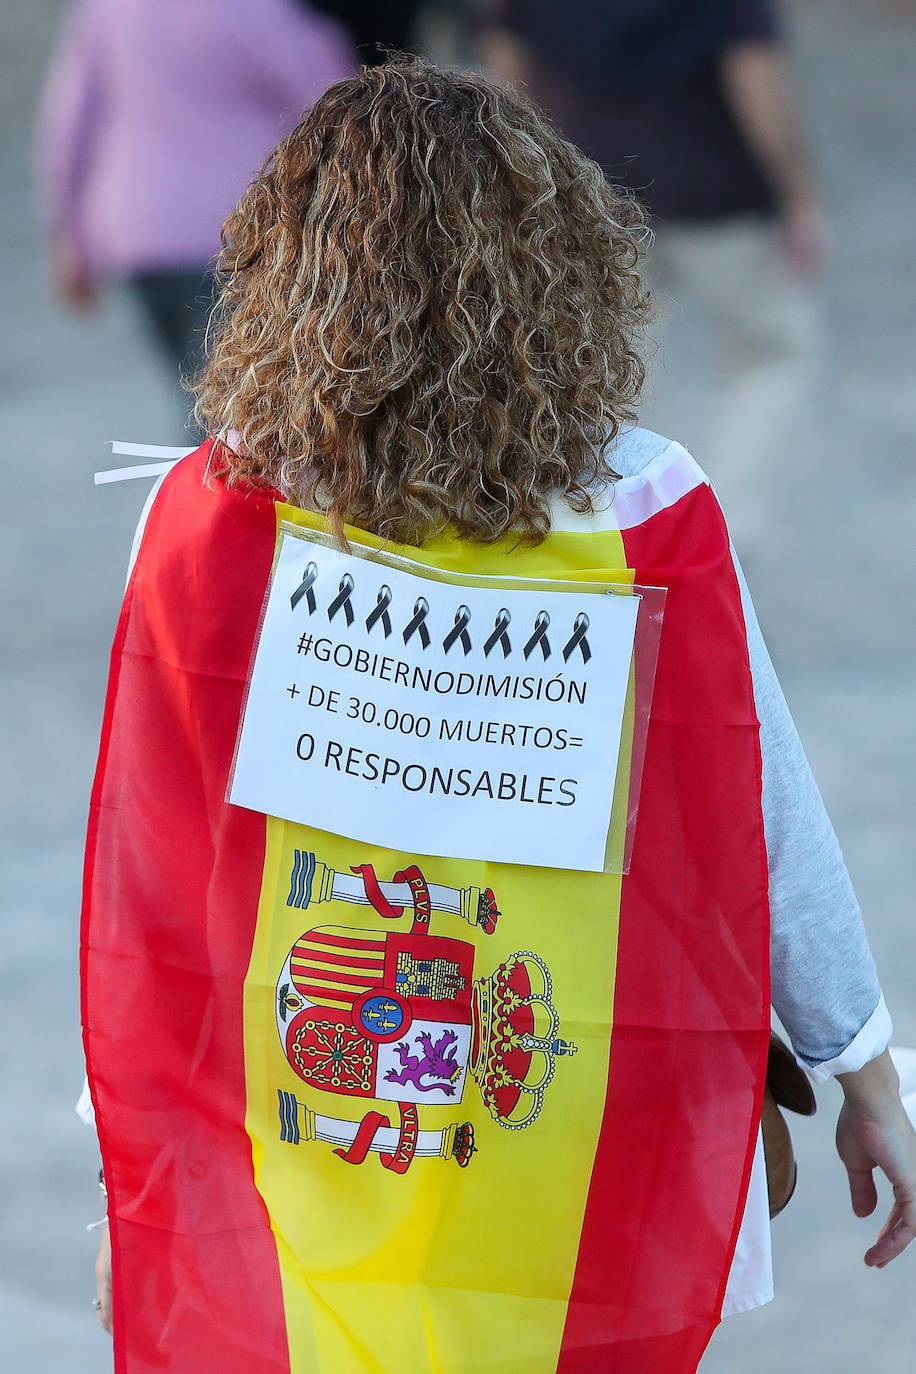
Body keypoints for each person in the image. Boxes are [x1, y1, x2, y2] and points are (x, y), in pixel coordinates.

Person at [80, 60, 915, 1374]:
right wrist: (865, 1076)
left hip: (312, 1105)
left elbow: (156, 862)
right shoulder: (641, 511)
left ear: (294, 271)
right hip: (577, 1100)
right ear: (550, 260)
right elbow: (767, 809)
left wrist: (139, 1148)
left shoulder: (209, 511)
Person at [478, 0, 825, 551]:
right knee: (774, 348)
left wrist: (525, 174)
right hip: (714, 189)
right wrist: (797, 188)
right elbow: (753, 72)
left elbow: (507, 62)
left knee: (609, 367)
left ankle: (611, 518)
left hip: (591, 186)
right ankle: (725, 525)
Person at [37, 0, 353, 427]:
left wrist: (69, 238)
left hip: (137, 234)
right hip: (239, 234)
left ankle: (190, 488)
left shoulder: (106, 9)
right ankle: (208, 492)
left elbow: (69, 122)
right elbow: (335, 97)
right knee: (240, 412)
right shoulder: (253, 9)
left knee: (198, 399)